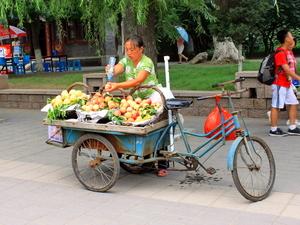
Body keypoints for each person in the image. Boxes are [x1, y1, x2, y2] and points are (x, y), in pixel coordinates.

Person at [105, 34, 169, 176]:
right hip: (136, 101)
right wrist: (110, 69)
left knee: (157, 130)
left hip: (153, 99)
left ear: (141, 49)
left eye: (132, 50)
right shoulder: (127, 61)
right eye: (127, 49)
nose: (129, 53)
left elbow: (137, 81)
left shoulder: (147, 62)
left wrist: (117, 85)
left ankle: (162, 164)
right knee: (140, 129)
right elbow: (117, 69)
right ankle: (148, 162)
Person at [269, 29, 300, 136]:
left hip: (286, 83)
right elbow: (286, 70)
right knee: (276, 106)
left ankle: (292, 127)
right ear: (287, 39)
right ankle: (273, 129)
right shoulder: (280, 53)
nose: (293, 38)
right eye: (291, 36)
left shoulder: (287, 52)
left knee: (293, 103)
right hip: (279, 84)